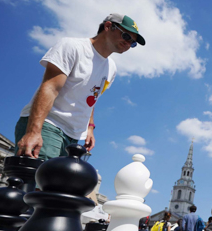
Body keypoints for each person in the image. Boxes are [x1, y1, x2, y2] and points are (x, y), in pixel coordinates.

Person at [15, 13, 145, 160]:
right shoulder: (72, 46)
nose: (128, 44)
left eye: (132, 43)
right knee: (40, 180)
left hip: (74, 136)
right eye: (126, 37)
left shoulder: (111, 68)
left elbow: (92, 97)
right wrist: (34, 131)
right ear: (108, 26)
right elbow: (50, 88)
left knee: (57, 183)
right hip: (48, 125)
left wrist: (90, 128)